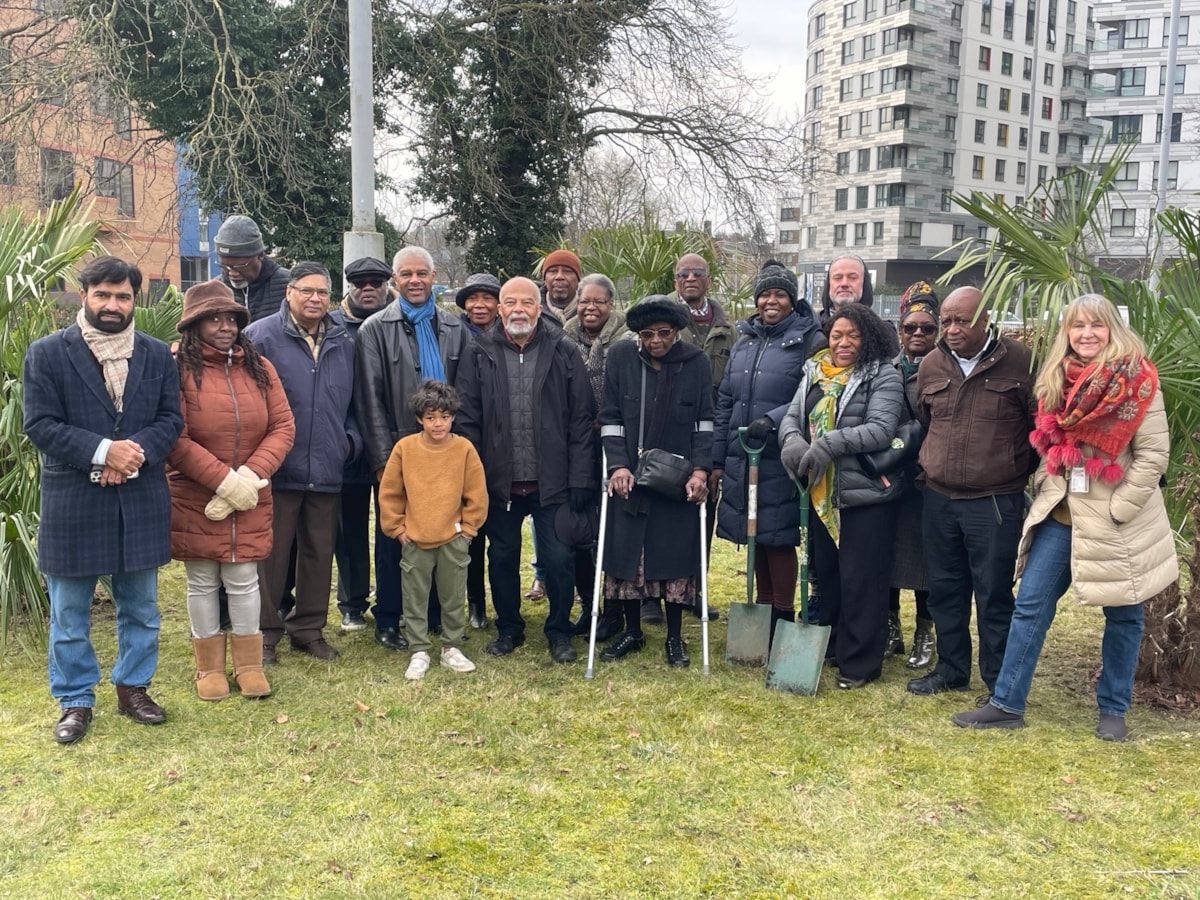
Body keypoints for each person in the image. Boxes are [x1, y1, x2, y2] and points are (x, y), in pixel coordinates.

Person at [952, 295, 1176, 741]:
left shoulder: (1139, 382)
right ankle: (1006, 702)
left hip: (1118, 520)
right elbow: (1050, 447)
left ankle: (1113, 710)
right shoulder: (1058, 379)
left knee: (1124, 616)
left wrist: (1121, 508)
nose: (1087, 334)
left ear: (1112, 328)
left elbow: (1153, 456)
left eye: (1096, 325)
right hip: (1061, 512)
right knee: (1031, 606)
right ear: (1067, 333)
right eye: (1077, 327)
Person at [23, 256, 183, 743]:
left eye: (123, 296)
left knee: (141, 606)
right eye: (103, 295)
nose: (113, 305)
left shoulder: (156, 354)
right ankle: (74, 699)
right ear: (84, 294)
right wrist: (102, 453)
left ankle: (134, 687)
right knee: (70, 611)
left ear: (136, 299)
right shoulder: (48, 353)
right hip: (74, 498)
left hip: (139, 495)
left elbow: (170, 420)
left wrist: (129, 458)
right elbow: (41, 425)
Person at [455, 276, 596, 663]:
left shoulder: (563, 350)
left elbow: (582, 420)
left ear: (539, 307)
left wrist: (581, 477)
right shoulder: (478, 352)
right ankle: (509, 628)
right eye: (511, 302)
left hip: (552, 482)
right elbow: (466, 419)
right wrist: (471, 477)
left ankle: (559, 632)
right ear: (500, 309)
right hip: (498, 483)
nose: (519, 309)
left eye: (527, 302)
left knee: (559, 559)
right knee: (501, 558)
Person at [167, 280, 295, 700]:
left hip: (252, 489)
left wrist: (249, 478)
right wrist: (223, 482)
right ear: (194, 324)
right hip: (195, 493)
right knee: (202, 579)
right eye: (213, 318)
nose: (224, 325)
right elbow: (175, 437)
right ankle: (208, 669)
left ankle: (248, 665)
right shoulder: (178, 368)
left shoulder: (259, 366)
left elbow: (283, 426)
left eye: (230, 318)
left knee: (243, 578)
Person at [906, 286, 1036, 697]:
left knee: (994, 592)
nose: (952, 328)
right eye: (946, 321)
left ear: (985, 319)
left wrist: (1010, 470)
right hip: (940, 498)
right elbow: (925, 421)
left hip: (995, 500)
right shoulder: (931, 365)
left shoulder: (1020, 362)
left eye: (962, 320)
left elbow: (1038, 430)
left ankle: (999, 680)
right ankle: (951, 668)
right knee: (945, 589)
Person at [779, 303, 904, 689]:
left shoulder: (883, 374)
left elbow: (881, 429)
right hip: (822, 494)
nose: (843, 342)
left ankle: (861, 662)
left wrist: (830, 443)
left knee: (861, 580)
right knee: (829, 577)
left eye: (853, 335)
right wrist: (791, 440)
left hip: (863, 497)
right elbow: (792, 414)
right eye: (836, 335)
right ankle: (832, 645)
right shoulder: (815, 371)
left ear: (868, 338)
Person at [354, 246, 470, 651]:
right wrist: (386, 463)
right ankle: (388, 617)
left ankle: (436, 615)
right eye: (406, 274)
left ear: (434, 276)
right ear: (394, 280)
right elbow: (370, 399)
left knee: (440, 531)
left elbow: (465, 394)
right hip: (399, 453)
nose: (415, 280)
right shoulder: (374, 329)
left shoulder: (456, 328)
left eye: (422, 273)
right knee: (395, 536)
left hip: (445, 451)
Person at [245, 261, 360, 663]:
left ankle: (308, 629)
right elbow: (246, 403)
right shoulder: (260, 337)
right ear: (288, 292)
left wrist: (349, 442)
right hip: (278, 469)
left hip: (329, 465)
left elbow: (354, 404)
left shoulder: (344, 339)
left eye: (322, 292)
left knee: (318, 551)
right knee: (271, 555)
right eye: (307, 291)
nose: (315, 299)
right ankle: (265, 634)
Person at [598, 296, 714, 666]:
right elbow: (611, 416)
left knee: (673, 555)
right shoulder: (620, 358)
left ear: (676, 332)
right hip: (628, 475)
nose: (656, 341)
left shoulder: (696, 363)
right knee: (630, 557)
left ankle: (675, 638)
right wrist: (617, 466)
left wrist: (700, 471)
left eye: (664, 333)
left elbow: (705, 422)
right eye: (647, 334)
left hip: (676, 478)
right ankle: (632, 631)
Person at [711, 262, 821, 642]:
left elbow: (813, 393)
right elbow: (726, 400)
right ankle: (762, 606)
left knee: (779, 536)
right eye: (765, 294)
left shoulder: (809, 339)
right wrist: (719, 458)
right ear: (756, 299)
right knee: (753, 533)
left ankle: (783, 614)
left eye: (780, 294)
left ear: (792, 300)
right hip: (745, 454)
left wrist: (773, 421)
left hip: (781, 453)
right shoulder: (744, 342)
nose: (771, 300)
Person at [378, 381, 488, 679]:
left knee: (453, 595)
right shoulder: (405, 449)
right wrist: (397, 528)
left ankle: (451, 646)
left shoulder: (464, 449)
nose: (438, 423)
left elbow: (476, 492)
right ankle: (419, 650)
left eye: (444, 416)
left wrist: (468, 529)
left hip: (453, 539)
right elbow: (390, 492)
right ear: (419, 419)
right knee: (414, 596)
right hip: (415, 539)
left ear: (453, 416)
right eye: (430, 417)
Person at [331, 256, 397, 633]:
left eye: (376, 282)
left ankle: (391, 600)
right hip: (350, 445)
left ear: (388, 284)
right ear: (350, 287)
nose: (368, 288)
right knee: (349, 530)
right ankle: (352, 602)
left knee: (392, 527)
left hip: (391, 441)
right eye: (360, 283)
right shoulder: (333, 326)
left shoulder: (400, 322)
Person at [671, 251, 733, 624]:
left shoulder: (729, 328)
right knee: (665, 518)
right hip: (670, 433)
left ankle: (696, 591)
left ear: (708, 280)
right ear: (675, 281)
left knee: (701, 518)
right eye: (683, 273)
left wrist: (716, 455)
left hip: (709, 435)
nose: (691, 278)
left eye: (698, 273)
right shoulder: (665, 319)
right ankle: (654, 595)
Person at [887, 282, 939, 669]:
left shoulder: (946, 370)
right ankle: (891, 627)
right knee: (886, 555)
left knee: (925, 561)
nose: (918, 334)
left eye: (927, 327)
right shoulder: (886, 369)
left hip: (929, 478)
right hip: (888, 475)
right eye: (911, 327)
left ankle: (925, 630)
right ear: (900, 329)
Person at [454, 272, 502, 629]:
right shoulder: (455, 335)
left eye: (488, 298)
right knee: (469, 533)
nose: (480, 305)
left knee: (499, 535)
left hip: (505, 448)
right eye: (473, 298)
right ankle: (474, 601)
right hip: (464, 443)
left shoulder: (509, 336)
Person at [817, 254, 898, 356]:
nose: (844, 283)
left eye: (852, 277)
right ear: (829, 284)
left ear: (864, 283)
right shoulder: (813, 329)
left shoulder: (884, 332)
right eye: (838, 278)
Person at [214, 214, 290, 323]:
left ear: (260, 256)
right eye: (225, 266)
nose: (232, 273)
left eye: (240, 266)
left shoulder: (289, 286)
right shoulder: (214, 291)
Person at [540, 248, 581, 324]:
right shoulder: (533, 312)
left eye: (567, 271)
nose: (559, 276)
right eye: (553, 271)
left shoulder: (590, 312)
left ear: (578, 279)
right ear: (544, 279)